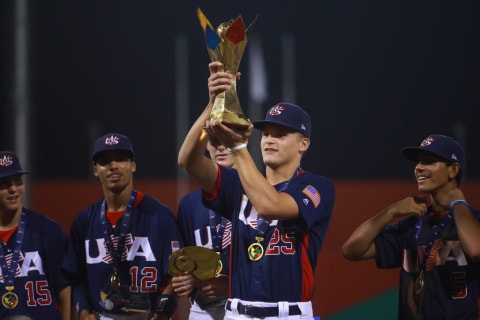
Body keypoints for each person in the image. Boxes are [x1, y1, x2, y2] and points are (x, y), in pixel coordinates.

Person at [177, 61, 335, 319]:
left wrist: (239, 149)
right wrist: (212, 104)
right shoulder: (237, 182)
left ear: (303, 144)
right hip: (236, 312)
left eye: (281, 134)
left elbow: (270, 205)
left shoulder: (316, 187)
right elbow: (188, 161)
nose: (270, 140)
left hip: (288, 314)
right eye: (266, 133)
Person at [342, 134, 480, 319]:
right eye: (418, 162)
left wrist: (458, 203)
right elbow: (352, 250)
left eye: (429, 162)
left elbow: (476, 250)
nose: (419, 168)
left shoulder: (474, 221)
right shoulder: (413, 224)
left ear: (453, 170)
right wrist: (390, 211)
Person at [62, 133, 180, 320]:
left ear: (133, 165)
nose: (113, 166)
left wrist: (162, 313)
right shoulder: (83, 222)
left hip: (149, 315)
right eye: (104, 161)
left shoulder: (160, 216)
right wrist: (84, 311)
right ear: (95, 170)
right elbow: (77, 279)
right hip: (103, 315)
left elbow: (177, 275)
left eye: (121, 159)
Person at [0, 151, 70, 320]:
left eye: (18, 182)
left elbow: (65, 289)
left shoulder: (48, 231)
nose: (13, 189)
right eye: (4, 183)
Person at [172, 138, 234, 320]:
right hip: (202, 309)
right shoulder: (189, 205)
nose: (221, 146)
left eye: (227, 139)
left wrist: (231, 284)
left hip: (246, 306)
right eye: (213, 141)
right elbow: (183, 260)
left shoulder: (260, 198)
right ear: (206, 145)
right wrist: (184, 279)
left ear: (242, 141)